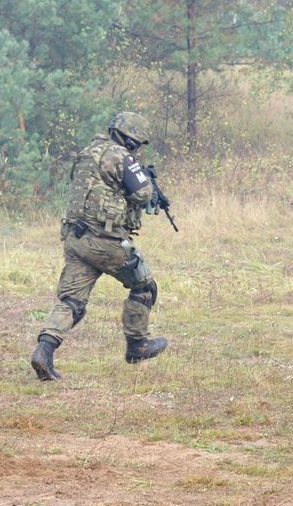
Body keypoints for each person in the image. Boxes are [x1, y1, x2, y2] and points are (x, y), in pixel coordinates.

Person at [30, 112, 169, 381]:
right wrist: (146, 180)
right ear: (131, 140)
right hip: (104, 241)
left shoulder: (88, 152)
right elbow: (142, 194)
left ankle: (43, 351)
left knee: (72, 301)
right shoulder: (121, 156)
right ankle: (137, 344)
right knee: (144, 286)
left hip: (75, 237)